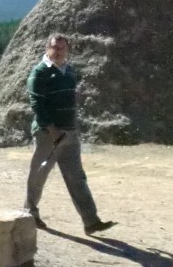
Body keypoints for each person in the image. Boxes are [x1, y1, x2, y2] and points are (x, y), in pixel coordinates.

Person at [24, 34, 115, 235]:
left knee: (76, 176)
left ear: (67, 51)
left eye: (62, 48)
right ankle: (30, 212)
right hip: (48, 134)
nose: (58, 52)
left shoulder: (69, 71)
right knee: (40, 173)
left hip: (70, 133)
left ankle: (91, 221)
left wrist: (71, 128)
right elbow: (37, 104)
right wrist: (52, 130)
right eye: (55, 48)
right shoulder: (39, 72)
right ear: (47, 48)